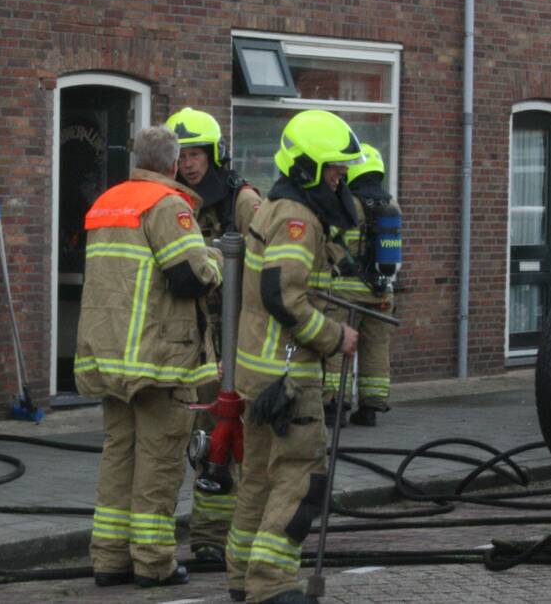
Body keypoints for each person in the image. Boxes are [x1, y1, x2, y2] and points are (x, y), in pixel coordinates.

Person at [74, 125, 223, 589]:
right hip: (158, 358)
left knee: (119, 456)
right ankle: (154, 563)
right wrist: (217, 258)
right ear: (174, 164)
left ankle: (108, 559)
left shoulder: (107, 203)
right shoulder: (167, 205)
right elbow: (191, 276)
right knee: (159, 460)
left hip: (110, 354)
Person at [226, 109, 361, 604]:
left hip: (259, 372)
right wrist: (334, 337)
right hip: (289, 377)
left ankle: (242, 579)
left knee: (260, 480)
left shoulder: (276, 207)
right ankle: (273, 584)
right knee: (303, 480)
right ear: (307, 168)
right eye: (334, 169)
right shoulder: (299, 219)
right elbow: (283, 296)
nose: (340, 178)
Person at [165, 106, 261, 564]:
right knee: (196, 440)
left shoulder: (241, 200)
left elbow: (267, 260)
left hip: (230, 341)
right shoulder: (170, 199)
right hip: (186, 339)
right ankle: (204, 535)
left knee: (224, 438)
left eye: (196, 154)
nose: (189, 164)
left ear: (215, 154)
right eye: (182, 155)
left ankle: (214, 538)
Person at [322, 144, 399, 427]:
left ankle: (335, 404)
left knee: (338, 342)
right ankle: (371, 407)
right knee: (376, 346)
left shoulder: (348, 204)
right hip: (381, 290)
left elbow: (329, 238)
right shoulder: (391, 206)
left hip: (344, 290)